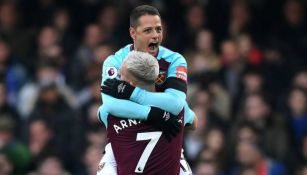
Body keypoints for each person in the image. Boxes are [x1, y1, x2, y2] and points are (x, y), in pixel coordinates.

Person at [99, 4, 196, 174]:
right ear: (133, 33)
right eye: (148, 30)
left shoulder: (174, 60)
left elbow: (175, 104)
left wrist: (131, 93)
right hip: (123, 144)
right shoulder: (115, 62)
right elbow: (109, 105)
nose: (155, 35)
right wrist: (153, 114)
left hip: (163, 140)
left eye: (158, 29)